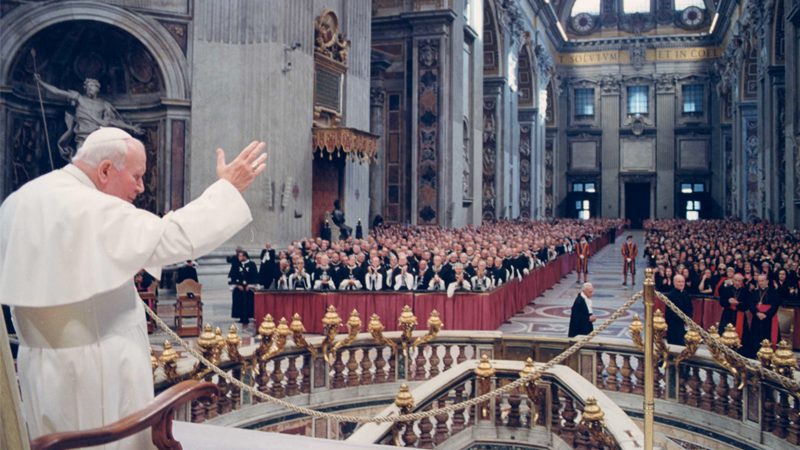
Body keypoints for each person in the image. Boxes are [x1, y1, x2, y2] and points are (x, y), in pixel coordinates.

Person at [0, 127, 266, 448]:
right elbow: (172, 238)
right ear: (106, 170)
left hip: (40, 370)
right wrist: (228, 188)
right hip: (98, 377)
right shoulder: (89, 205)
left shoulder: (19, 200)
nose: (140, 187)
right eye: (137, 175)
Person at [34, 74, 143, 160]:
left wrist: (132, 128)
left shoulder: (104, 104)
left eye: (92, 86)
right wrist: (41, 83)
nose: (90, 88)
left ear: (97, 88)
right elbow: (57, 92)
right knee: (80, 165)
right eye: (88, 86)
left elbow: (113, 121)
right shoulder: (79, 98)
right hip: (82, 139)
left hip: (98, 140)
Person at [746, 274, 782, 356]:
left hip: (769, 319)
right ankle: (755, 354)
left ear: (767, 281)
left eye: (762, 281)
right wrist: (757, 313)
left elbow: (775, 306)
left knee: (767, 337)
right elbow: (751, 304)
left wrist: (766, 315)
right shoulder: (754, 292)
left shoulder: (773, 292)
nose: (760, 283)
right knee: (755, 338)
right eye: (759, 281)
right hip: (757, 318)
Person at [228, 250, 258, 325]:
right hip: (239, 287)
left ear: (245, 256)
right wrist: (238, 285)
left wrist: (250, 285)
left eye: (240, 256)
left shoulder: (252, 264)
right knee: (239, 300)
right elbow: (233, 275)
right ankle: (240, 316)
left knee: (249, 301)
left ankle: (248, 316)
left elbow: (254, 275)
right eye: (238, 256)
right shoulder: (236, 264)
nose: (239, 257)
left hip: (249, 288)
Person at [665, 274, 693, 345]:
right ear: (674, 283)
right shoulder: (671, 295)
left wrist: (688, 319)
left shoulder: (686, 294)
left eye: (683, 282)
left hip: (685, 325)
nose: (681, 284)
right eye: (679, 282)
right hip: (674, 326)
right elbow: (670, 314)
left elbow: (690, 308)